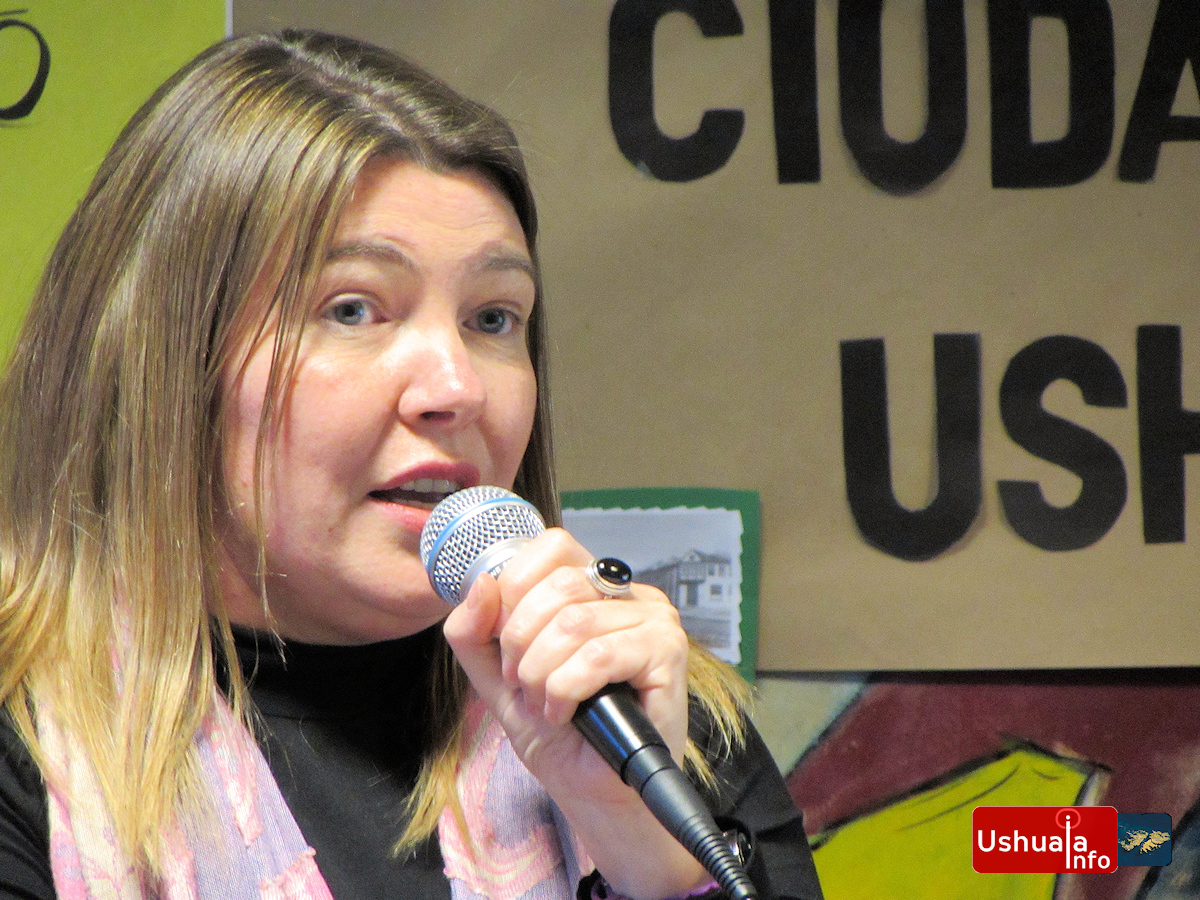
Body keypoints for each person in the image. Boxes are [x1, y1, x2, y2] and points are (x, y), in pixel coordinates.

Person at [0, 30, 823, 900]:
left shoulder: (642, 712)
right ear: (166, 361)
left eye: (493, 318)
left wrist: (640, 840)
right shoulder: (23, 739)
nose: (456, 388)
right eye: (354, 310)